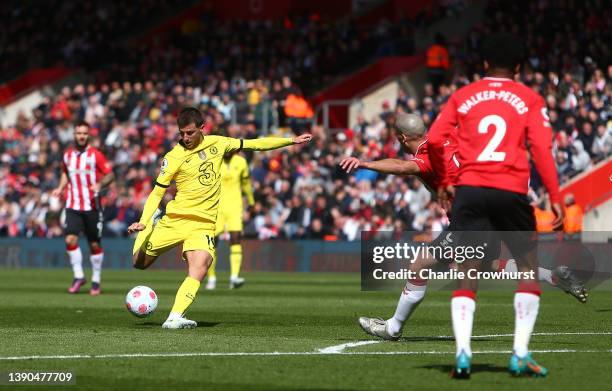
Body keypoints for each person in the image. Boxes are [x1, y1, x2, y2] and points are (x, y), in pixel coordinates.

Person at [340, 114, 585, 344]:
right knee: (489, 264)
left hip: (468, 219)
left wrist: (364, 163)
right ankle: (553, 277)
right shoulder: (448, 138)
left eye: (397, 139)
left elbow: (403, 167)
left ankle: (393, 328)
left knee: (419, 264)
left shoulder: (427, 154)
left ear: (403, 138)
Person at [426, 33, 564, 378]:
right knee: (528, 271)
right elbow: (542, 150)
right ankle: (519, 354)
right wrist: (556, 197)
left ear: (484, 65)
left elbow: (432, 139)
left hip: (470, 190)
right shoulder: (529, 98)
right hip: (510, 189)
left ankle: (462, 354)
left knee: (466, 274)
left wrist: (444, 180)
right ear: (518, 68)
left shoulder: (463, 95)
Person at [127, 107, 312, 329]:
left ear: (202, 128)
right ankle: (153, 225)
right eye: (181, 133)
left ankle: (175, 316)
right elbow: (157, 192)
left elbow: (254, 143)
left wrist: (290, 140)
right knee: (139, 263)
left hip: (203, 223)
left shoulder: (218, 143)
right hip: (176, 219)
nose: (185, 138)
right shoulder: (173, 157)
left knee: (201, 265)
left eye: (190, 133)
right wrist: (144, 221)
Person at [52, 120, 114, 295]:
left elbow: (110, 174)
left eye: (84, 133)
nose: (81, 136)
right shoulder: (67, 155)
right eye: (79, 133)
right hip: (73, 205)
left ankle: (96, 280)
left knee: (94, 244)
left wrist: (100, 184)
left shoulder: (96, 155)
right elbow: (65, 172)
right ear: (74, 135)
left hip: (92, 206)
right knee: (70, 240)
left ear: (89, 135)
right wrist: (60, 187)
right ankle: (79, 276)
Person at [205, 149, 255, 290]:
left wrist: (251, 202)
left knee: (236, 239)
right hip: (216, 208)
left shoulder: (241, 162)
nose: (227, 152)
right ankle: (212, 278)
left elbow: (246, 183)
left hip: (235, 207)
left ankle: (234, 277)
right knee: (211, 244)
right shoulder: (214, 161)